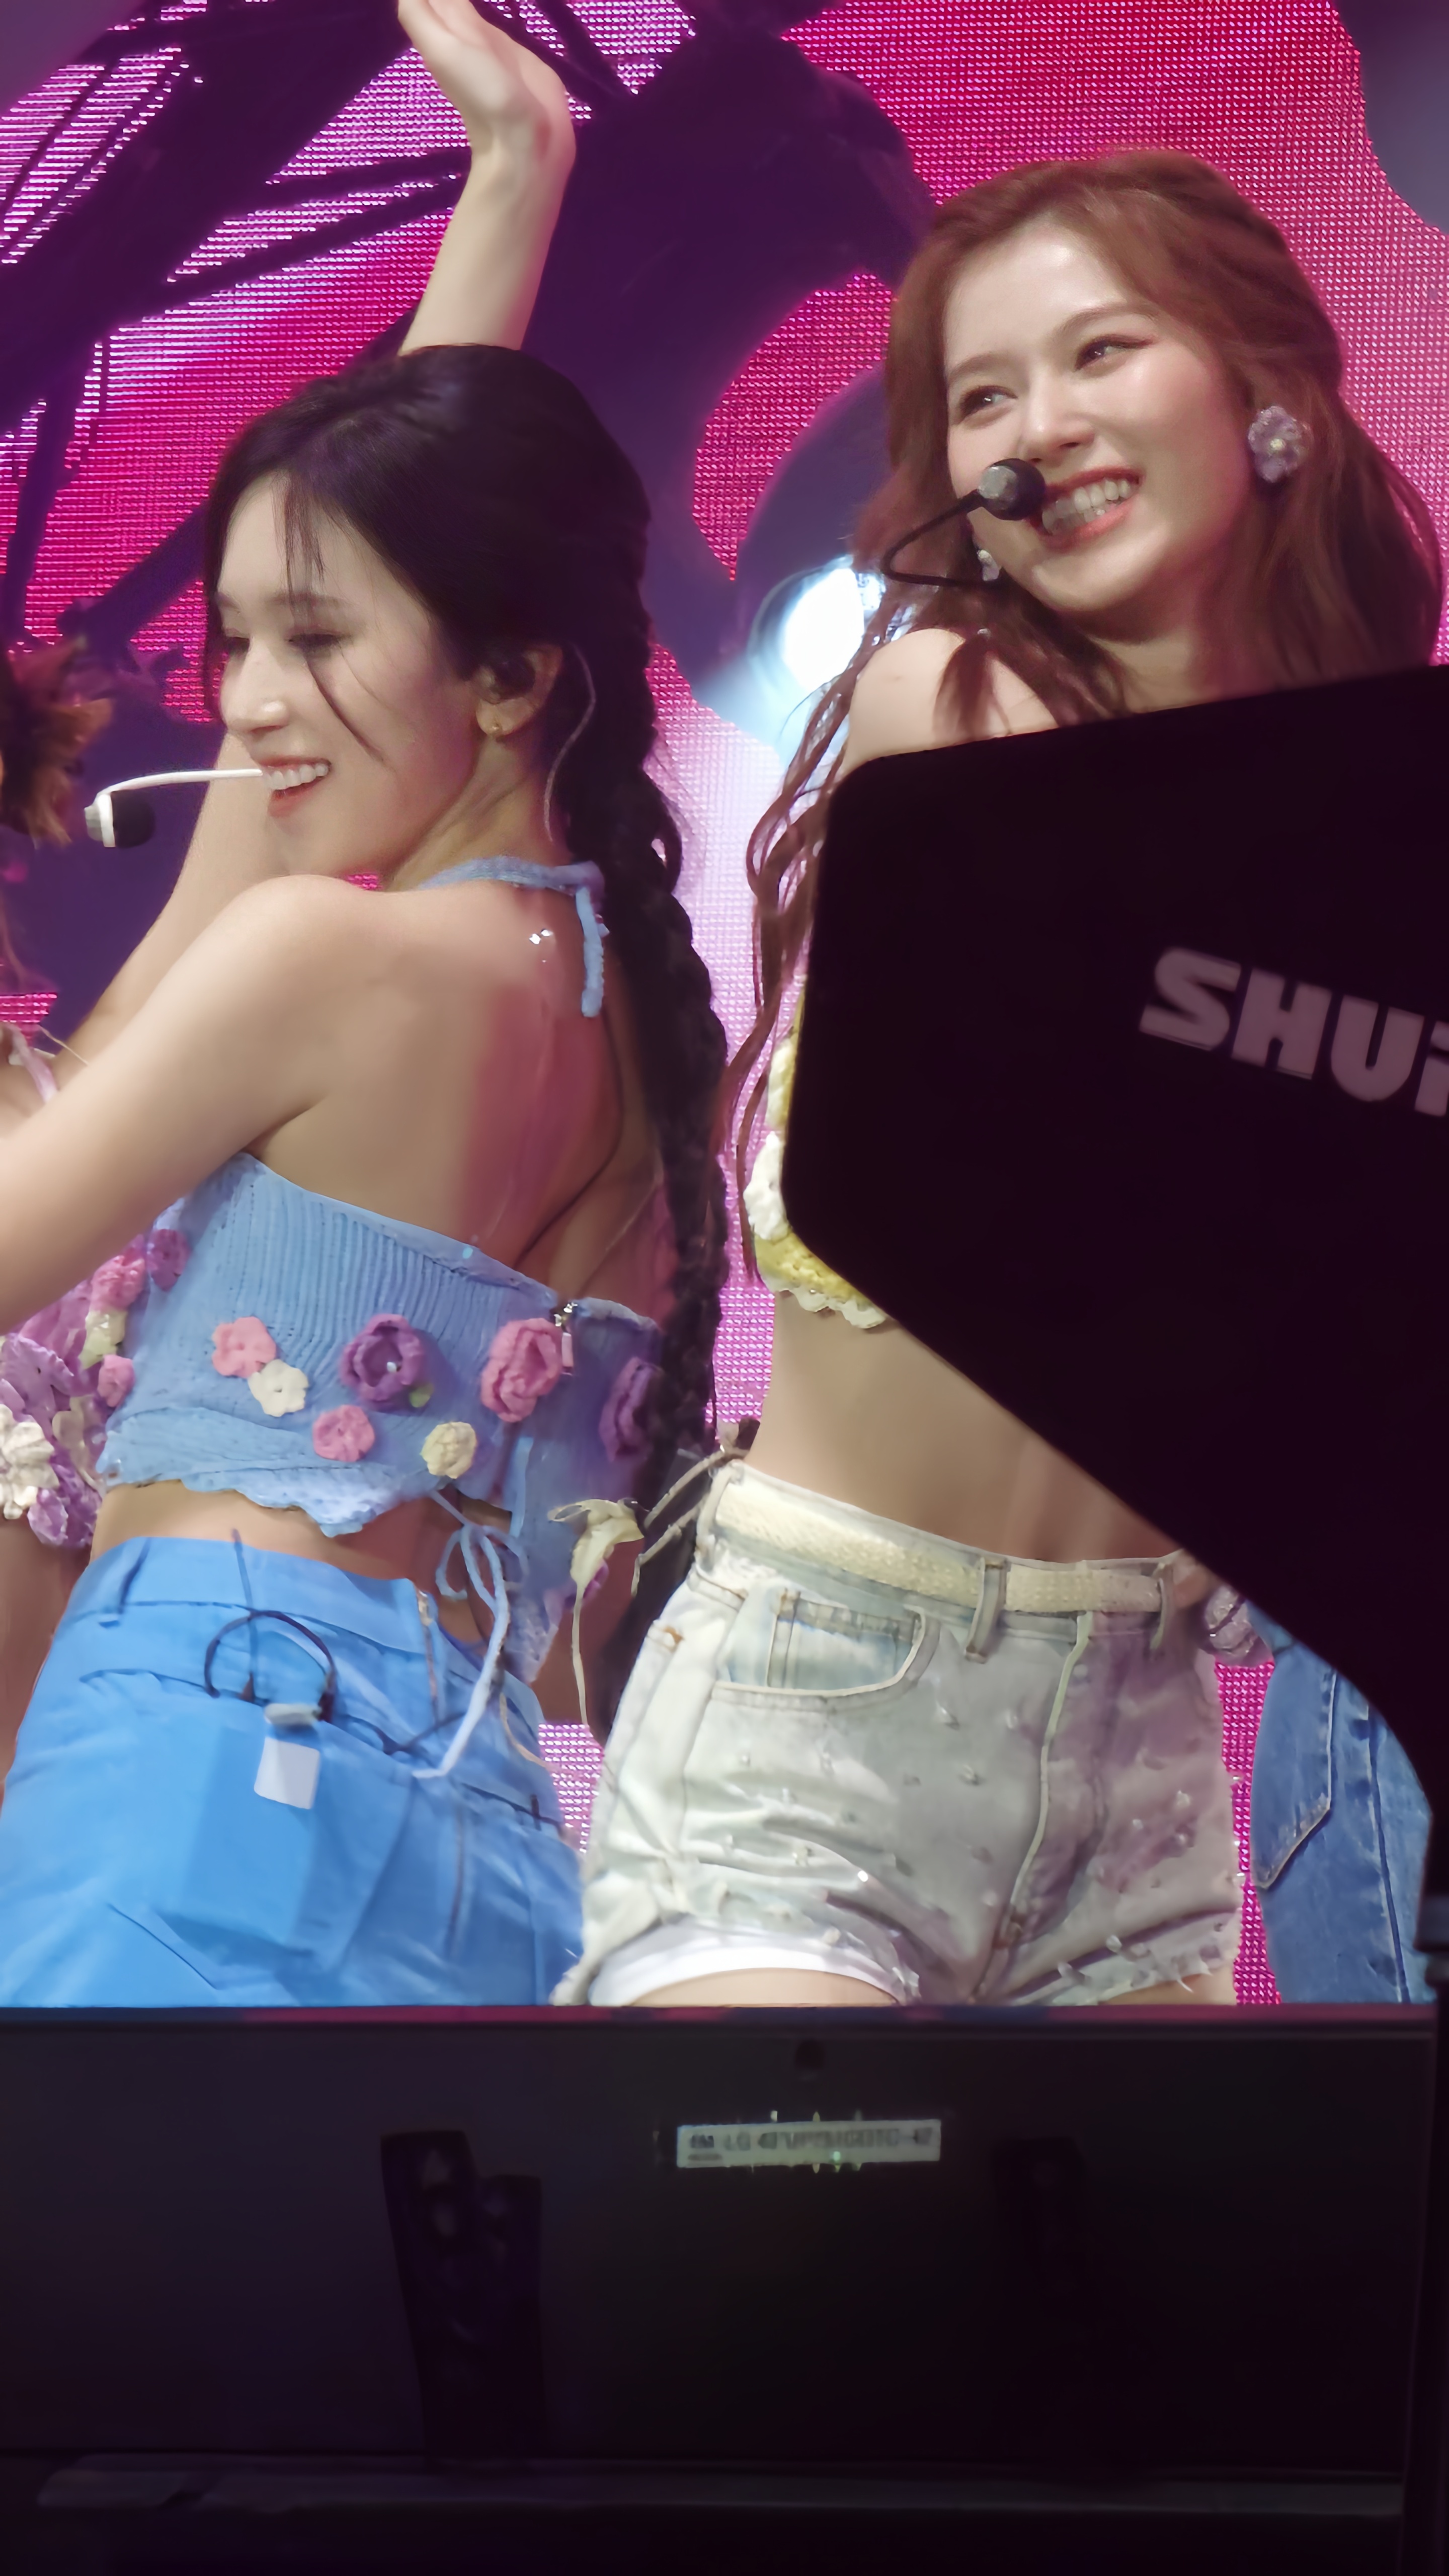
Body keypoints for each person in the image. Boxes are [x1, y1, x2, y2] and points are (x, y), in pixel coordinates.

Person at [557, 149, 1442, 2009]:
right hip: (817, 1713)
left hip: (1138, 1770)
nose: (1038, 430)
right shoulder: (949, 700)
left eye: (1100, 353)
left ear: (1267, 395)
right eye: (982, 399)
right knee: (791, 2201)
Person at [0, 251, 728, 2002]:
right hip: (486, 1834)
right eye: (237, 639)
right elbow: (576, 1618)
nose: (249, 701)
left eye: (315, 641)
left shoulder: (322, 952)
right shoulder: (644, 1044)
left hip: (201, 1767)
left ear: (511, 676)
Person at [0, 0, 592, 1792]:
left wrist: (514, 174)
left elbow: (374, 575)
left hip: (144, 1853)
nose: (266, 685)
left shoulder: (120, 1065)